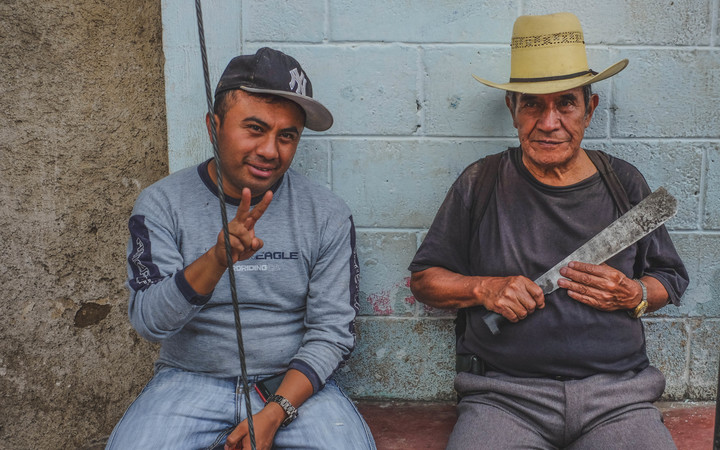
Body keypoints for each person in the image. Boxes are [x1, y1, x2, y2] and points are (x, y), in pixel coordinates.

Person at [409, 13, 689, 450]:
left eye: (566, 104)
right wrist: (483, 288)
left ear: (589, 110)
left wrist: (633, 294)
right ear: (512, 110)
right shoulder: (480, 182)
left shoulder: (624, 182)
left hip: (619, 397)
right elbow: (425, 280)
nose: (549, 121)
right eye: (533, 104)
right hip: (503, 399)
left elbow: (669, 280)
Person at [107, 47, 375, 450]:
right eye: (254, 128)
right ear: (214, 127)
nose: (271, 150)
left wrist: (276, 410)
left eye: (287, 136)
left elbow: (333, 333)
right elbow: (149, 322)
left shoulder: (326, 213)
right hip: (188, 378)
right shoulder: (162, 204)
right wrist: (216, 261)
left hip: (290, 385)